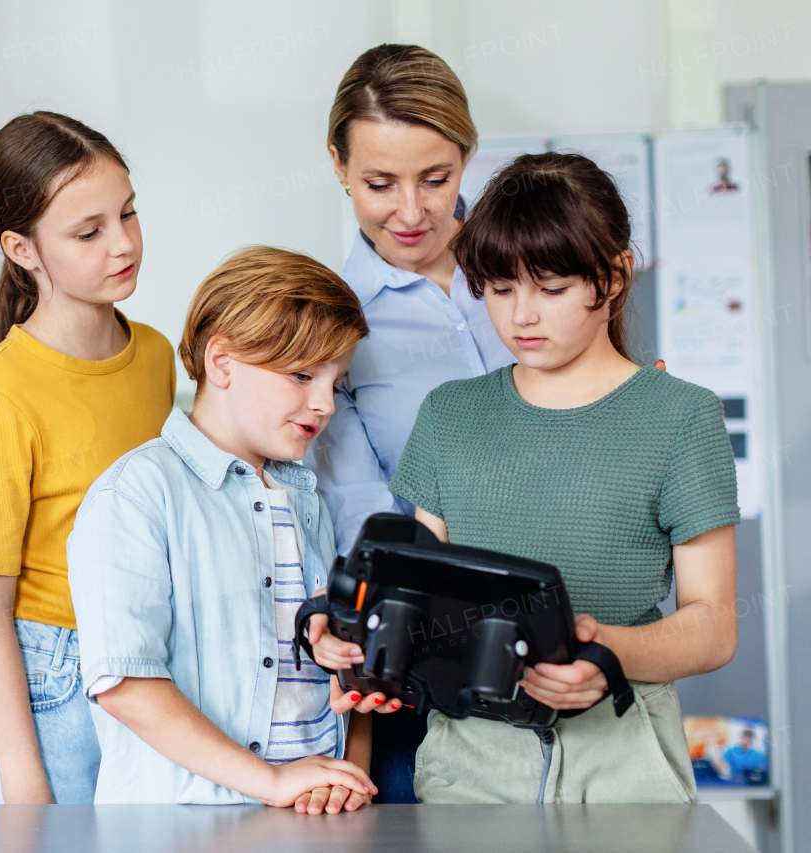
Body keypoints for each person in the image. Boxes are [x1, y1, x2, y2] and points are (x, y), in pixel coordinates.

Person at [385, 151, 739, 803]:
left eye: (550, 288)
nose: (521, 316)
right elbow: (421, 598)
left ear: (615, 274)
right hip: (471, 762)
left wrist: (609, 653)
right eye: (499, 289)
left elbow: (714, 623)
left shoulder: (681, 416)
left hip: (623, 762)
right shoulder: (449, 414)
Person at [68, 247, 397, 813]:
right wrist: (270, 783)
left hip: (315, 817)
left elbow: (345, 681)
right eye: (301, 374)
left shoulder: (306, 499)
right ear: (220, 362)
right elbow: (125, 683)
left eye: (335, 381)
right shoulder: (138, 494)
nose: (325, 404)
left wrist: (348, 780)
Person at [304, 42, 514, 804]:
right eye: (378, 183)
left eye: (437, 178)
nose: (412, 211)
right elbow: (364, 511)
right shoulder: (334, 321)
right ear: (338, 165)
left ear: (467, 155)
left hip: (573, 630)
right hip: (433, 656)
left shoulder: (530, 271)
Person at [0, 112, 176, 804]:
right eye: (89, 231)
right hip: (45, 682)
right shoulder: (2, 394)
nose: (124, 243)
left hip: (142, 662)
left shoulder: (157, 356)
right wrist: (23, 779)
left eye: (129, 214)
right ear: (22, 248)